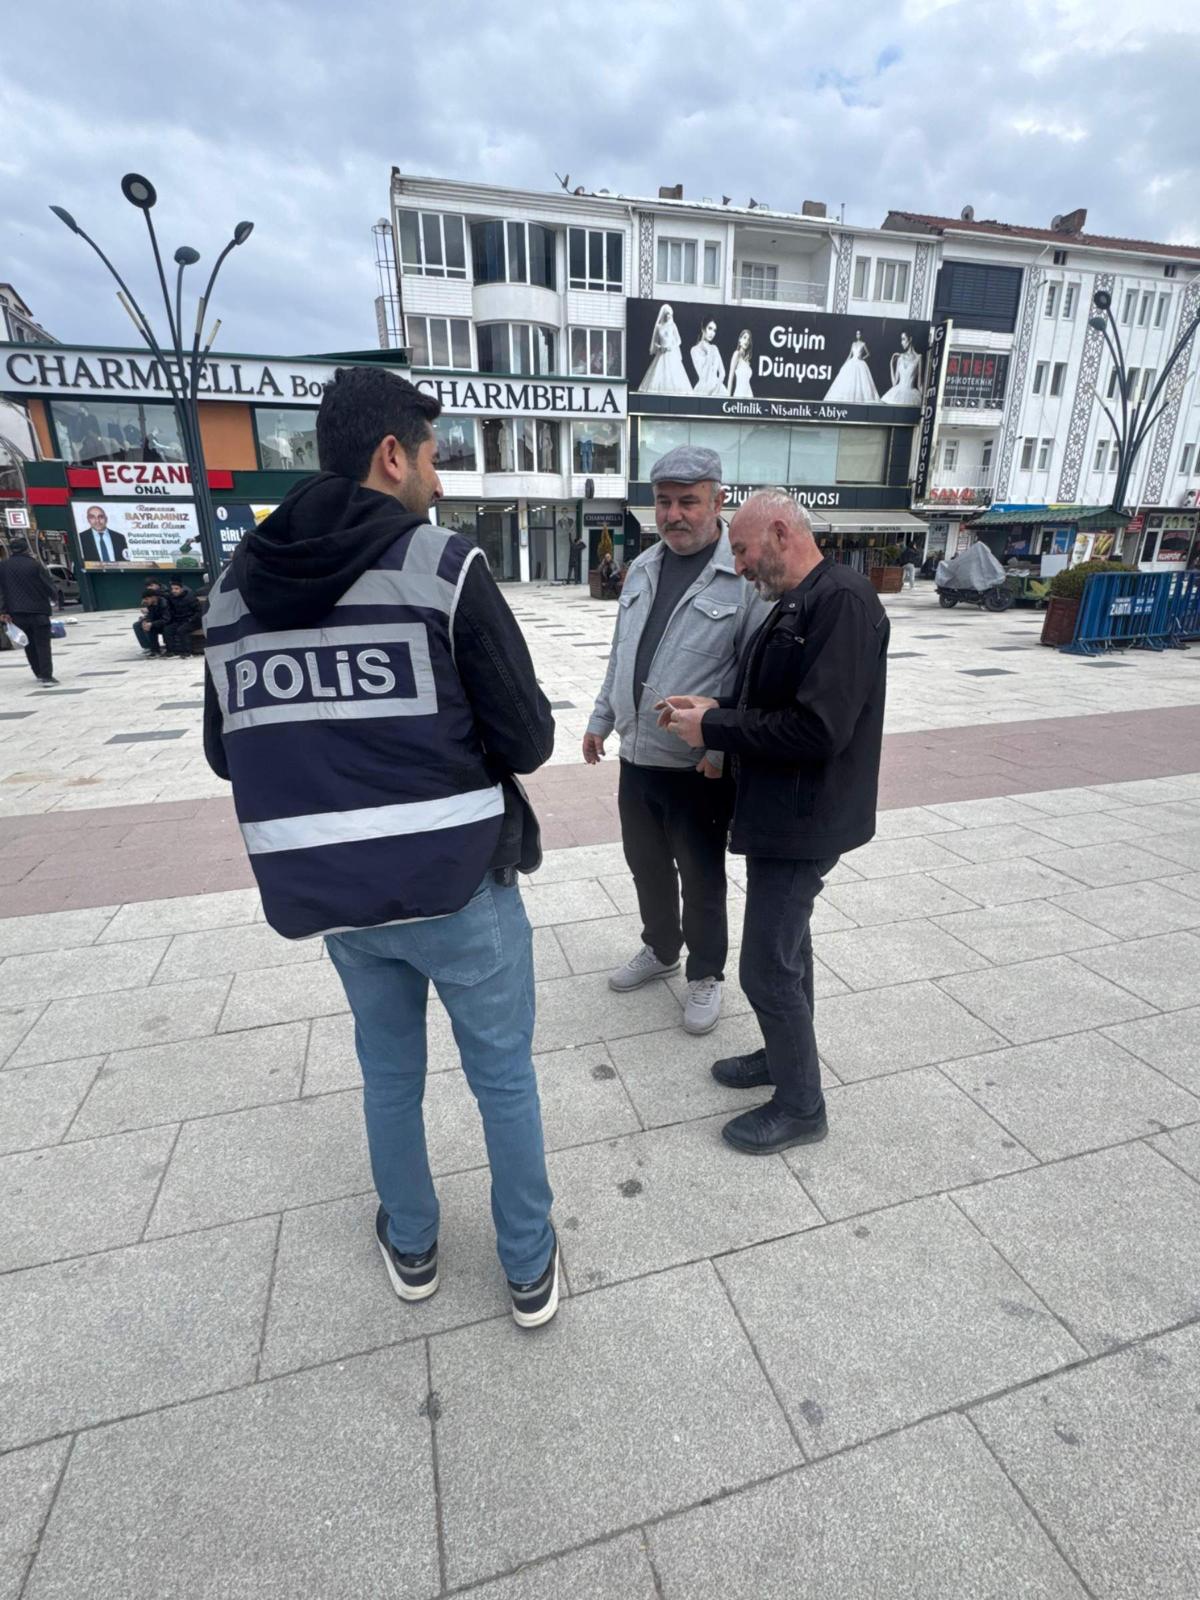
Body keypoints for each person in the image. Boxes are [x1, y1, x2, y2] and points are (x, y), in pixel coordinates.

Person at [202, 366, 560, 1329]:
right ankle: (527, 1266)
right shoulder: (441, 567)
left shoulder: (232, 589)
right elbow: (528, 738)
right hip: (459, 889)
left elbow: (222, 750)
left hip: (341, 901)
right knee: (502, 1077)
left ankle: (412, 1244)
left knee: (389, 1077)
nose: (439, 482)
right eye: (434, 457)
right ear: (391, 454)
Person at [659, 490, 889, 1154]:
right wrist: (715, 713)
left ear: (781, 533)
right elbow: (774, 698)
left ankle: (800, 1106)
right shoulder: (796, 601)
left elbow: (819, 728)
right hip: (781, 810)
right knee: (789, 951)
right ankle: (783, 1055)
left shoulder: (840, 601)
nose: (736, 566)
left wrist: (718, 727)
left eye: (740, 550)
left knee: (765, 966)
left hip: (806, 818)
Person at [584, 446, 771, 1036]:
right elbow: (622, 656)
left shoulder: (740, 576)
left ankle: (705, 972)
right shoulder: (642, 568)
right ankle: (661, 949)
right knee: (646, 867)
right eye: (664, 502)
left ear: (718, 501)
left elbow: (750, 676)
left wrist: (718, 750)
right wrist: (600, 719)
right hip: (637, 758)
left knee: (701, 874)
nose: (674, 514)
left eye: (688, 501)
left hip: (697, 767)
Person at [0, 539, 58, 685]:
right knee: (43, 644)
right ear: (26, 549)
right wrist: (54, 597)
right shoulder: (35, 565)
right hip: (38, 611)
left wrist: (3, 610)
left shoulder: (3, 567)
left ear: (11, 550)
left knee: (28, 644)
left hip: (17, 612)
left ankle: (38, 672)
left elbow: (1, 591)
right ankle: (47, 676)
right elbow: (48, 585)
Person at [639, 305, 691, 395]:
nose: (669, 316)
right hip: (661, 353)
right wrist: (660, 347)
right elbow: (655, 342)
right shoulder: (658, 327)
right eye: (667, 314)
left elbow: (679, 340)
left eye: (670, 314)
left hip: (671, 353)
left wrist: (671, 347)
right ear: (663, 315)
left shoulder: (673, 326)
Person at [824, 331, 880, 404]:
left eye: (859, 334)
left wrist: (862, 358)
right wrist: (844, 365)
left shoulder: (863, 344)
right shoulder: (853, 344)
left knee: (861, 381)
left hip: (860, 363)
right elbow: (850, 355)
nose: (858, 335)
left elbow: (868, 354)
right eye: (857, 334)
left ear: (861, 335)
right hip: (852, 362)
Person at [881, 332, 924, 405]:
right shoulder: (900, 358)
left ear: (910, 339)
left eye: (903, 339)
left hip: (912, 395)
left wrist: (925, 400)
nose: (901, 342)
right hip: (897, 392)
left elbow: (919, 385)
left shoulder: (919, 357)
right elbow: (894, 383)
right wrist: (891, 364)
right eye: (901, 340)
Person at [163, 579, 202, 657]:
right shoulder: (172, 598)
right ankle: (171, 651)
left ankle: (187, 652)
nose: (174, 591)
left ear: (182, 589)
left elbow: (199, 612)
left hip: (193, 621)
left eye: (176, 589)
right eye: (172, 589)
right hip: (179, 621)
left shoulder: (190, 598)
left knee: (182, 630)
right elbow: (170, 610)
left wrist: (190, 620)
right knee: (167, 629)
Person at [691, 319, 727, 397]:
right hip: (702, 389)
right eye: (710, 328)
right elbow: (702, 374)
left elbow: (722, 372)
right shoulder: (694, 350)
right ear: (703, 329)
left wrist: (716, 389)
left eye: (714, 330)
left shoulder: (715, 348)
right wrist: (709, 353)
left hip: (718, 388)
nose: (712, 333)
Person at [134, 581, 170, 657]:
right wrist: (146, 621)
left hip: (169, 623)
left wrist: (152, 623)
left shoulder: (164, 603)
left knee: (153, 626)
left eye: (147, 599)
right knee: (148, 627)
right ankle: (154, 650)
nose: (145, 601)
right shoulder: (151, 604)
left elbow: (166, 619)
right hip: (160, 622)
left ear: (153, 597)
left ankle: (166, 649)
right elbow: (151, 616)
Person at [727, 330, 754, 398]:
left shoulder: (747, 361)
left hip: (749, 395)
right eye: (744, 337)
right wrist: (727, 398)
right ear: (740, 340)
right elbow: (731, 378)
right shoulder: (736, 354)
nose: (746, 341)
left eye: (748, 339)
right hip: (739, 394)